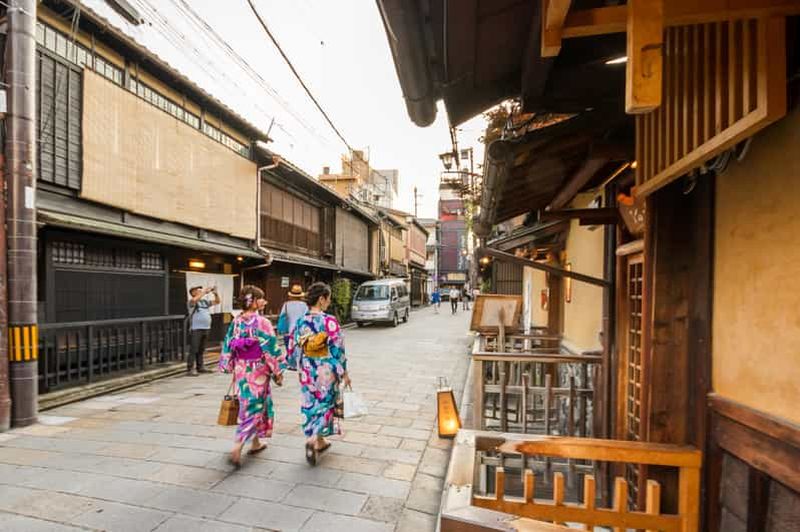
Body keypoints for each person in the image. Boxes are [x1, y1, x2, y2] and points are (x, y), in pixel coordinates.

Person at [219, 285, 283, 467]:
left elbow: (228, 344)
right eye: (261, 298)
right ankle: (237, 445)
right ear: (253, 302)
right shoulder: (262, 322)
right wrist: (278, 371)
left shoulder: (237, 321)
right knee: (254, 405)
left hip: (241, 368)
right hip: (258, 368)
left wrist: (228, 364)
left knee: (250, 402)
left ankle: (255, 443)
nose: (264, 301)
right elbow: (271, 348)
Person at [290, 282, 351, 465]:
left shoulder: (301, 321)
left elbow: (294, 346)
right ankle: (313, 439)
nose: (329, 302)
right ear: (322, 299)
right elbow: (337, 348)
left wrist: (297, 365)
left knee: (310, 403)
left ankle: (320, 440)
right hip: (325, 369)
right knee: (326, 404)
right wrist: (344, 371)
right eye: (328, 298)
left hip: (308, 368)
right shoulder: (328, 321)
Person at [187, 285, 220, 376]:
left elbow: (217, 302)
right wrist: (205, 292)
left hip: (206, 327)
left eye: (200, 290)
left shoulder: (205, 302)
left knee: (201, 349)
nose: (200, 291)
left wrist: (215, 294)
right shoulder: (191, 301)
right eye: (197, 290)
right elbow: (194, 300)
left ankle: (200, 367)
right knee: (194, 348)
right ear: (193, 292)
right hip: (196, 328)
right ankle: (190, 368)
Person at [276, 284, 308, 370]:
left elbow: (282, 316)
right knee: (300, 347)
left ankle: (291, 364)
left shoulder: (286, 305)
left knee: (289, 348)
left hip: (288, 330)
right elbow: (306, 317)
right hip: (300, 330)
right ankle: (299, 363)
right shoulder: (304, 305)